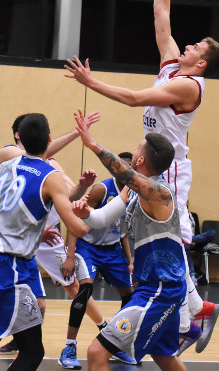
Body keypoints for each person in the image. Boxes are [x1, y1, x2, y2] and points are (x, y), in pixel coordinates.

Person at [65, 0, 219, 353]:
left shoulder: (189, 86)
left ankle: (193, 314)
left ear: (202, 62)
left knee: (174, 237)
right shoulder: (174, 64)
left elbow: (135, 97)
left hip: (169, 167)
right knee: (140, 229)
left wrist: (90, 81)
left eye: (196, 47)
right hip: (153, 160)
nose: (187, 45)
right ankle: (196, 310)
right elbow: (161, 14)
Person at [0, 113, 90, 371]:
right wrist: (92, 215)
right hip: (5, 263)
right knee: (33, 350)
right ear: (50, 139)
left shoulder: (5, 160)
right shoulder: (50, 175)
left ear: (19, 138)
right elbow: (77, 227)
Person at [0, 114, 109, 357]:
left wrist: (82, 189)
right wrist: (76, 133)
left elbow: (71, 194)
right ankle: (21, 341)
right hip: (16, 235)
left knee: (71, 285)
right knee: (20, 297)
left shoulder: (49, 166)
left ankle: (104, 326)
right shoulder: (9, 154)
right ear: (20, 135)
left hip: (44, 234)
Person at [70, 109, 187, 371]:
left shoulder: (159, 193)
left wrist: (93, 144)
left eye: (136, 148)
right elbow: (101, 219)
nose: (132, 151)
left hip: (161, 289)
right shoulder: (131, 191)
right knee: (164, 357)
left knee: (96, 353)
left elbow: (125, 174)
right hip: (154, 286)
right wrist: (86, 213)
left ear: (141, 158)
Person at [59, 152, 137, 369]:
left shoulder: (133, 191)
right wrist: (70, 255)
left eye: (131, 167)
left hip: (112, 249)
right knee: (85, 290)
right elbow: (76, 217)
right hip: (88, 246)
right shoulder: (102, 189)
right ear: (115, 168)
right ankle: (69, 346)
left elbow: (123, 232)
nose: (127, 170)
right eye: (123, 166)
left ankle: (116, 344)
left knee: (129, 296)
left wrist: (129, 260)